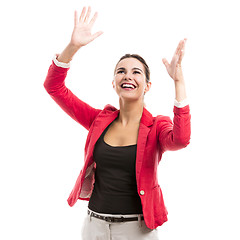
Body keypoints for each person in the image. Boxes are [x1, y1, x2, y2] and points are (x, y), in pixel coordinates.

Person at [44, 6, 191, 240]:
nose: (128, 76)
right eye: (121, 71)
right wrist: (72, 47)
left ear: (147, 85)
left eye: (136, 72)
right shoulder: (98, 120)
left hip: (137, 231)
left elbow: (181, 139)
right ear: (114, 83)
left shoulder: (157, 127)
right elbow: (54, 87)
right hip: (94, 227)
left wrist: (178, 82)